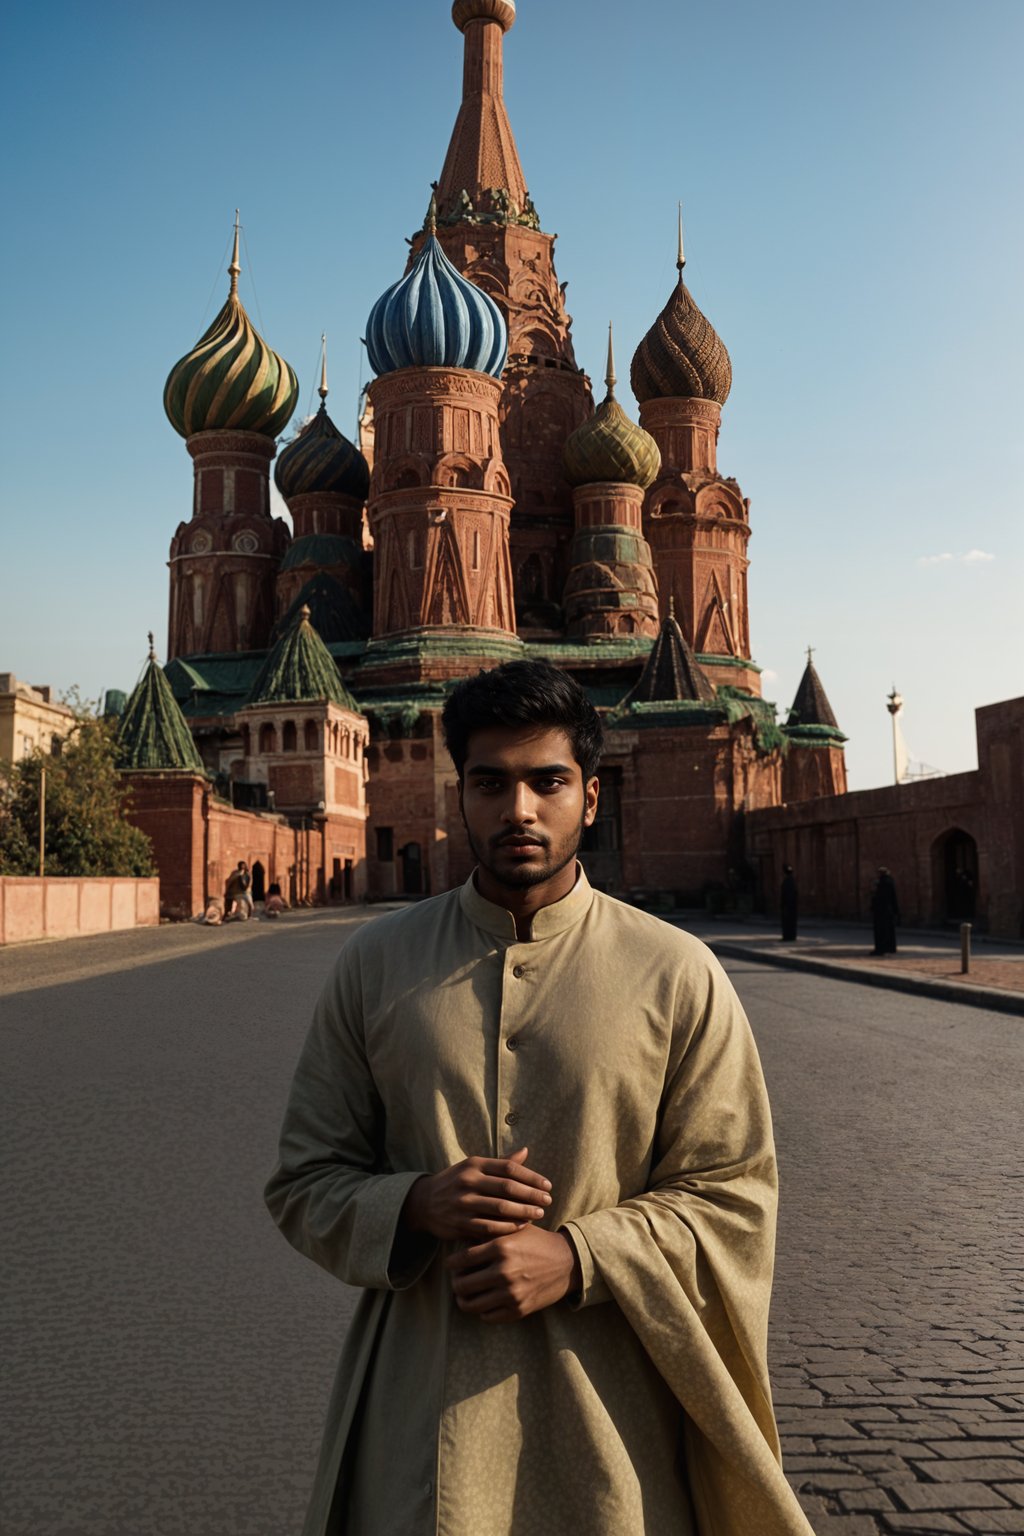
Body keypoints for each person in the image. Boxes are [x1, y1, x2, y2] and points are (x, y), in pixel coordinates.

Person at [264, 660, 813, 1536]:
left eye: (547, 781)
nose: (519, 809)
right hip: (417, 1424)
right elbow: (302, 1183)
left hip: (615, 1425)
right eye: (491, 783)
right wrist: (414, 1202)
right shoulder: (374, 965)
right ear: (459, 799)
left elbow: (734, 1194)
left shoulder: (677, 972)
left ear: (591, 798)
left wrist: (580, 1256)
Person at [870, 866, 900, 954]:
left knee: (880, 931)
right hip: (889, 910)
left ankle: (880, 949)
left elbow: (879, 897)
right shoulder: (890, 882)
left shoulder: (881, 883)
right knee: (889, 930)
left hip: (881, 911)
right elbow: (893, 897)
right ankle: (891, 948)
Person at [780, 863, 798, 942]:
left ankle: (787, 937)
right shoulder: (792, 881)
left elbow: (785, 894)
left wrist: (783, 904)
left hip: (788, 905)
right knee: (791, 922)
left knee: (787, 922)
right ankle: (791, 936)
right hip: (792, 905)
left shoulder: (787, 881)